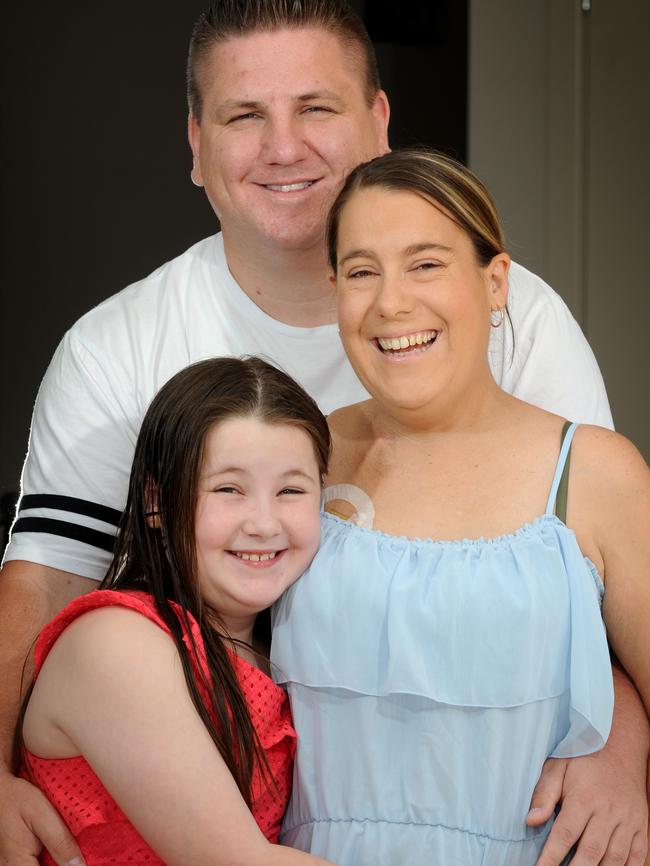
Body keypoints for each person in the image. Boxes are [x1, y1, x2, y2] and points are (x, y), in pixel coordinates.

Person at [0, 2, 646, 865]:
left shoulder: (525, 321)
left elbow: (585, 579)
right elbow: (44, 589)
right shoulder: (135, 356)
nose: (283, 147)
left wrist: (620, 737)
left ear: (378, 121)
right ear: (195, 142)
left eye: (316, 107)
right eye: (244, 115)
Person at [271, 148, 650, 866]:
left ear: (496, 281)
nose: (390, 303)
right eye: (361, 272)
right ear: (334, 292)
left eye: (426, 263)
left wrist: (625, 747)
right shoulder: (298, 459)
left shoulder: (595, 472)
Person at [17, 355, 338, 866]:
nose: (263, 522)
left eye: (291, 491)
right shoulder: (118, 642)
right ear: (156, 500)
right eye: (228, 489)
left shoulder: (283, 647)